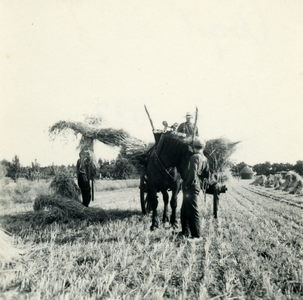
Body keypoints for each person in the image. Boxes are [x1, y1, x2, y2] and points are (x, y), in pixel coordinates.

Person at [180, 138, 209, 240]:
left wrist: (186, 185)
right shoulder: (205, 158)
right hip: (196, 185)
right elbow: (206, 174)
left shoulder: (194, 157)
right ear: (203, 147)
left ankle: (196, 236)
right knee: (184, 209)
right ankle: (185, 232)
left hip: (191, 186)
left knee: (192, 210)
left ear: (193, 147)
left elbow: (192, 174)